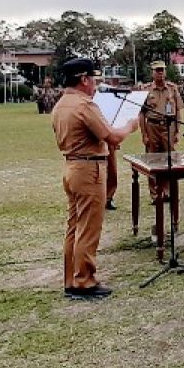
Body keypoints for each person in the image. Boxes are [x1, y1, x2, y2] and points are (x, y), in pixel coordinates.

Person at [52, 58, 139, 299]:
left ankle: (72, 278)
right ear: (84, 79)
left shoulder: (61, 105)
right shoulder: (84, 105)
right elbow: (112, 136)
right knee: (89, 228)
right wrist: (131, 125)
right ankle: (85, 281)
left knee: (75, 226)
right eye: (93, 79)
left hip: (72, 168)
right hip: (89, 170)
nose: (95, 85)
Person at [139, 61, 184, 205]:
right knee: (152, 160)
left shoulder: (172, 88)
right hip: (152, 126)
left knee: (170, 161)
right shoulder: (145, 90)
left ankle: (169, 192)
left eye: (162, 70)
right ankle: (155, 194)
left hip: (168, 127)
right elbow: (141, 114)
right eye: (157, 70)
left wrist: (178, 131)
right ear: (152, 73)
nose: (160, 73)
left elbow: (178, 111)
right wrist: (144, 134)